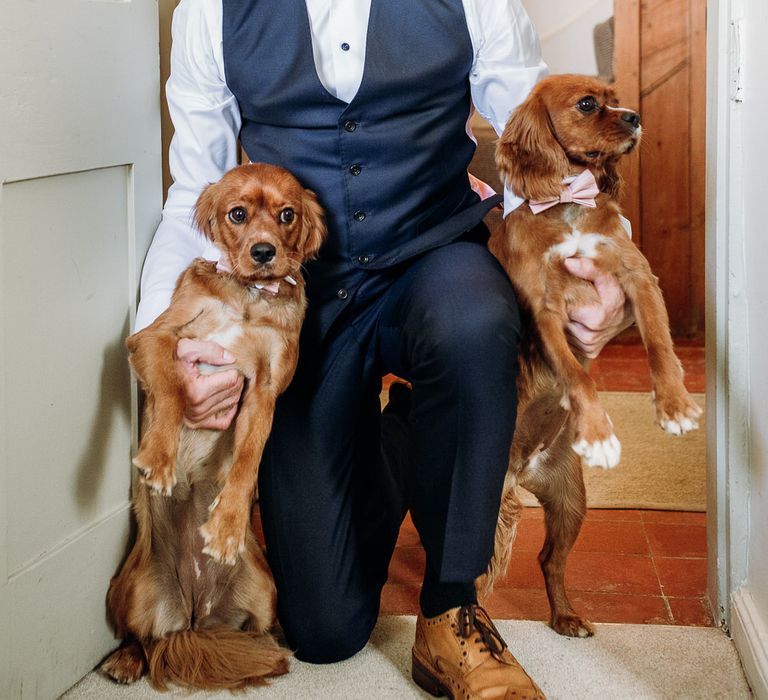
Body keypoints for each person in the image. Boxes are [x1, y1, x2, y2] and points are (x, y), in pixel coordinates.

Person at [136, 1, 631, 697]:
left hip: (433, 257)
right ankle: (402, 433)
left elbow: (538, 150)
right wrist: (177, 341)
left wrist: (598, 264)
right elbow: (195, 187)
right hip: (300, 295)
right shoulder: (211, 13)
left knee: (476, 321)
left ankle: (451, 609)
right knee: (325, 631)